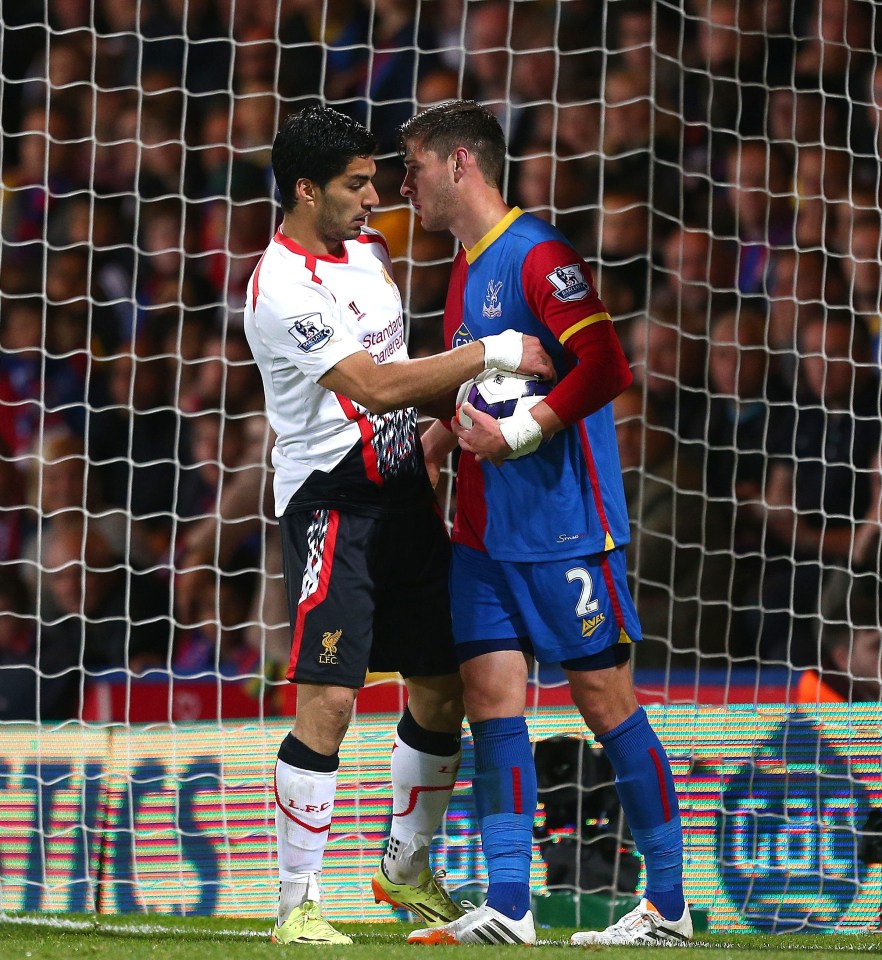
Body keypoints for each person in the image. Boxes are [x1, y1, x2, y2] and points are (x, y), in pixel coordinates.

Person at [242, 104, 553, 946]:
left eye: (377, 178)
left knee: (442, 686)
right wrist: (498, 353)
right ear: (305, 190)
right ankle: (296, 902)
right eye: (355, 184)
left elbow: (406, 383)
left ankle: (405, 871)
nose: (375, 196)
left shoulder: (369, 250)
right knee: (330, 703)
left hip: (406, 491)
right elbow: (374, 386)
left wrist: (444, 427)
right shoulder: (281, 288)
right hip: (332, 509)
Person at [397, 99, 691, 946]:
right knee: (491, 700)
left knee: (605, 703)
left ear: (461, 164)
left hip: (562, 526)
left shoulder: (540, 255)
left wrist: (519, 435)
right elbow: (486, 389)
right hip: (482, 532)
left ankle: (667, 908)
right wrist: (443, 435)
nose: (403, 184)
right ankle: (511, 907)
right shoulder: (463, 265)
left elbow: (605, 365)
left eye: (414, 166)